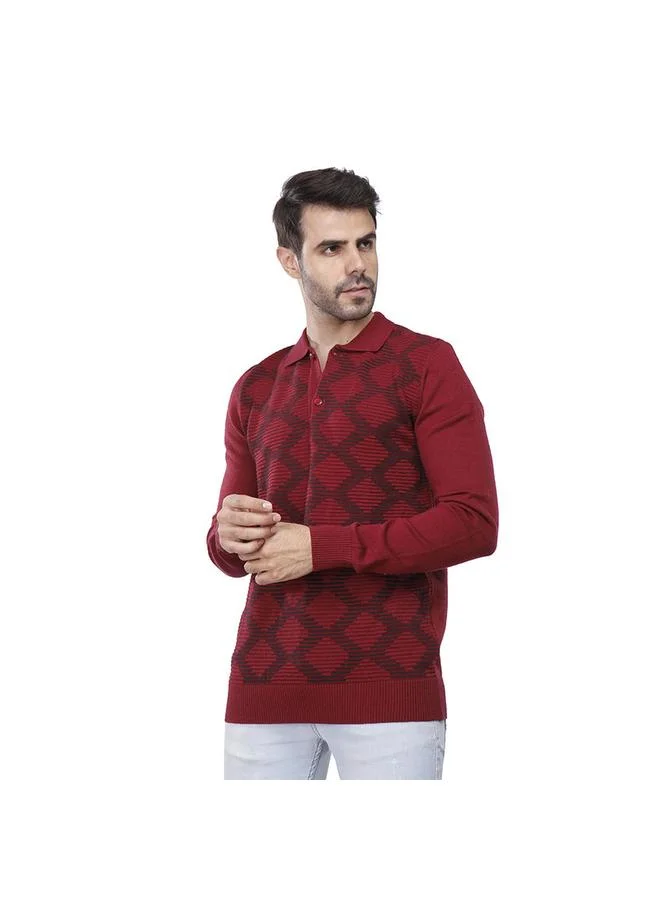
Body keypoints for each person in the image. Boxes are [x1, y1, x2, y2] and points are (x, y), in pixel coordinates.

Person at [206, 167, 498, 779]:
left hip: (388, 689)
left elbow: (473, 523)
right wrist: (226, 537)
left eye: (365, 243)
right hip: (264, 687)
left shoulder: (426, 365)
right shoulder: (256, 386)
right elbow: (231, 551)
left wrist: (322, 547)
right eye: (332, 249)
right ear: (290, 261)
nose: (357, 264)